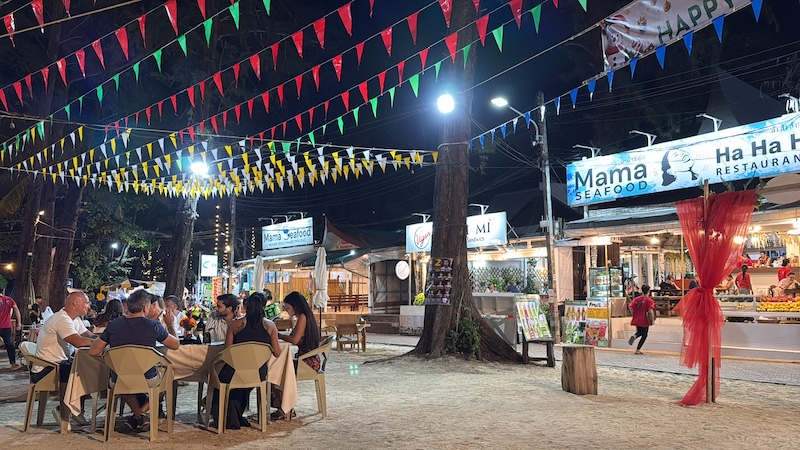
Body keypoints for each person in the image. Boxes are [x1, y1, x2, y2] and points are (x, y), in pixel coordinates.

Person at [89, 289, 179, 432]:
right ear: (145, 308)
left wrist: (110, 355)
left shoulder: (113, 325)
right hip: (146, 377)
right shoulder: (153, 326)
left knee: (120, 377)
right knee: (169, 376)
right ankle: (141, 414)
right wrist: (171, 325)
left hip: (119, 379)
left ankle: (137, 415)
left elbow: (93, 351)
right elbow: (175, 345)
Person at [211, 292, 281, 430]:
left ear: (246, 306)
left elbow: (227, 350)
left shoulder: (235, 324)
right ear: (263, 306)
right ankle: (235, 416)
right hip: (257, 371)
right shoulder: (270, 326)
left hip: (235, 370)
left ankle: (226, 417)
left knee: (223, 376)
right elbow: (277, 352)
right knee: (244, 384)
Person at [33, 291, 97, 426]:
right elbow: (78, 342)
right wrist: (102, 343)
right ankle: (65, 410)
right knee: (84, 372)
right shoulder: (62, 319)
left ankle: (73, 409)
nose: (89, 305)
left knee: (90, 370)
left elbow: (89, 335)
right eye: (86, 302)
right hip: (47, 369)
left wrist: (104, 339)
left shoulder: (74, 319)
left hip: (60, 364)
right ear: (75, 303)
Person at [275, 291, 319, 420]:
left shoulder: (303, 317)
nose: (287, 311)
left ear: (295, 305)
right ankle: (285, 408)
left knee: (276, 373)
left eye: (288, 308)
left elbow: (294, 340)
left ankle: (285, 408)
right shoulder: (305, 316)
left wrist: (279, 335)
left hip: (307, 361)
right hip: (309, 359)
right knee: (279, 370)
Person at [627, 285, 655, 355]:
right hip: (645, 320)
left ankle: (634, 336)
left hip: (637, 319)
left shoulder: (636, 299)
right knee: (644, 335)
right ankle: (637, 349)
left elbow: (630, 307)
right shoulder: (650, 301)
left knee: (639, 332)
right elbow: (650, 311)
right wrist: (652, 320)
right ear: (649, 291)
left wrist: (633, 314)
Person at [0, 294, 22, 371]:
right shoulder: (9, 300)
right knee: (10, 345)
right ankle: (13, 364)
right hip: (6, 326)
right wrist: (19, 323)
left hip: (5, 326)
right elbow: (16, 310)